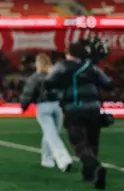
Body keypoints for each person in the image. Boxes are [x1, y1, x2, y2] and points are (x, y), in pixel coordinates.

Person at [46, 37, 113, 190]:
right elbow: (108, 83)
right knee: (92, 141)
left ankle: (94, 167)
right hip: (94, 108)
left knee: (79, 142)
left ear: (69, 53)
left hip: (74, 108)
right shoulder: (92, 67)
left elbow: (49, 81)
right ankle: (89, 175)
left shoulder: (62, 66)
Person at [20, 53, 72, 172]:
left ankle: (62, 160)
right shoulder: (56, 75)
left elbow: (28, 92)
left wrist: (24, 105)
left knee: (50, 134)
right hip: (57, 105)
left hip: (43, 106)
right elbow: (65, 90)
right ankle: (48, 160)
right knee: (53, 133)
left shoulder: (35, 77)